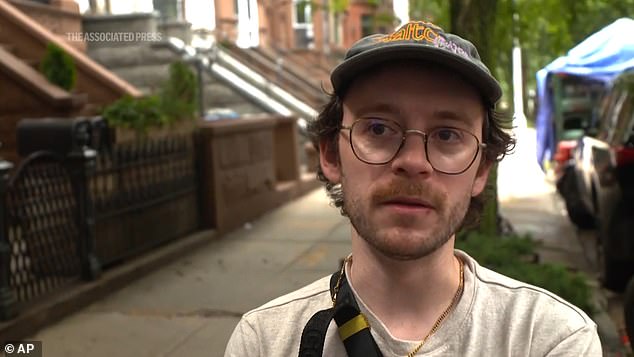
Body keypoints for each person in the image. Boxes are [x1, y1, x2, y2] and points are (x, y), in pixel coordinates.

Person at [225, 20, 602, 356]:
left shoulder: (550, 339)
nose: (414, 162)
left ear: (482, 169)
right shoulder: (265, 342)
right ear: (331, 154)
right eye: (378, 128)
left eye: (447, 135)